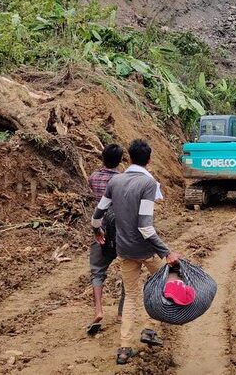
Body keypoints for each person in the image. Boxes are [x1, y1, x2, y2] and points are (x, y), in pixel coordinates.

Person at [92, 139, 181, 365]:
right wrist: (166, 252)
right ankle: (150, 330)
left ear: (129, 158)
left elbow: (97, 214)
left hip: (124, 250)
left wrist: (97, 232)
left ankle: (124, 348)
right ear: (149, 160)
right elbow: (145, 226)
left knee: (131, 297)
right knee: (164, 285)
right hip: (146, 249)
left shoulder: (116, 181)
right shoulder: (148, 183)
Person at [87, 143, 125, 336]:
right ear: (120, 161)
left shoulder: (93, 177)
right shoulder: (123, 180)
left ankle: (99, 310)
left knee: (97, 272)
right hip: (121, 231)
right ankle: (121, 313)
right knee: (129, 269)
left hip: (100, 229)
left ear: (102, 158)